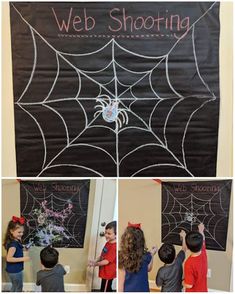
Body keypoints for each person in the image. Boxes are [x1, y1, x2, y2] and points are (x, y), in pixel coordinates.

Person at [118, 222, 157, 292]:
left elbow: (120, 284)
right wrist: (152, 254)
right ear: (141, 242)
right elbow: (148, 268)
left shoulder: (121, 257)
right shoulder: (146, 256)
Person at [3, 216, 30, 292]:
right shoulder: (13, 245)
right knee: (18, 287)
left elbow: (18, 249)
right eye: (19, 232)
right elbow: (9, 258)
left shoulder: (16, 240)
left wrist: (24, 248)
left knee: (15, 286)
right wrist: (23, 259)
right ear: (11, 231)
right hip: (15, 271)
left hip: (14, 270)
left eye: (22, 232)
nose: (21, 234)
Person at [89, 221, 117, 292]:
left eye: (109, 234)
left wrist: (95, 264)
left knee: (104, 290)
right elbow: (102, 256)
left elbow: (106, 261)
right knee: (105, 288)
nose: (106, 235)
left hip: (109, 273)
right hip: (105, 271)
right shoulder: (108, 243)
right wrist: (95, 260)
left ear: (116, 234)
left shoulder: (114, 247)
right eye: (106, 233)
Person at [183, 223, 208, 292]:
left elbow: (189, 285)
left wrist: (182, 282)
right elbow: (203, 240)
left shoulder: (189, 263)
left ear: (187, 247)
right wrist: (201, 231)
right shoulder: (203, 252)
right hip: (203, 289)